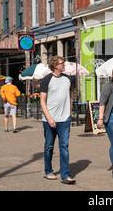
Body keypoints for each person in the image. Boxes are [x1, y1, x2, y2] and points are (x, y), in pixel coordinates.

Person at [40, 56, 76, 185]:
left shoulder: (68, 79)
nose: (64, 65)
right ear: (55, 65)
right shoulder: (46, 80)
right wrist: (49, 118)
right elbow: (42, 100)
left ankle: (66, 175)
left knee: (64, 147)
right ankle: (48, 171)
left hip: (64, 119)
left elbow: (71, 96)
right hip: (49, 120)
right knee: (49, 146)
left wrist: (69, 113)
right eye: (62, 63)